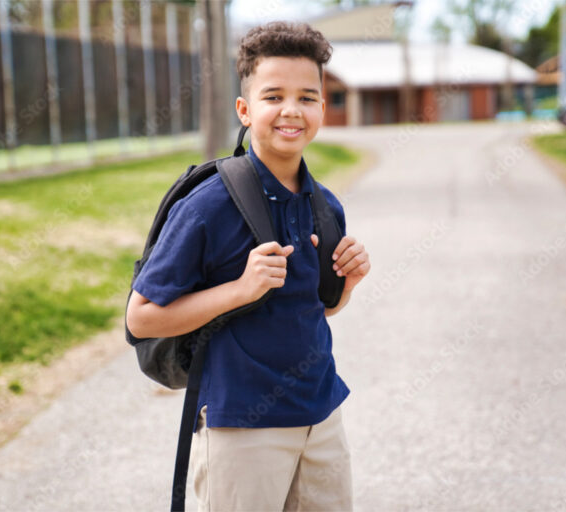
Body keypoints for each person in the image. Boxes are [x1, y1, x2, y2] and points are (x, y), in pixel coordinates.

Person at [126, 21, 370, 512]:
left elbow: (317, 311)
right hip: (242, 426)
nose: (291, 111)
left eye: (306, 97)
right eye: (273, 96)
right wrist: (240, 289)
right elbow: (141, 317)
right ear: (245, 109)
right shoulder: (208, 205)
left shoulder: (326, 205)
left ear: (322, 107)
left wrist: (349, 283)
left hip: (321, 418)